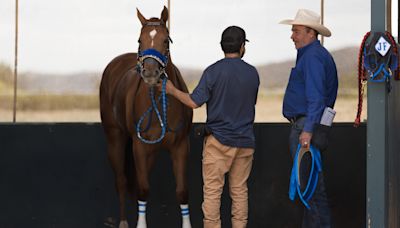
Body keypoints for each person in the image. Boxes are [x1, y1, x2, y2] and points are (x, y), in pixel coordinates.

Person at [158, 26, 259, 228]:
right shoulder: (252, 73)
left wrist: (171, 90)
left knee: (213, 192)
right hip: (245, 141)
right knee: (239, 191)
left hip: (218, 141)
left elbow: (194, 102)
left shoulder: (212, 72)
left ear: (222, 46)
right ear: (242, 47)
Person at [280, 9, 338, 228]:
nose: (292, 35)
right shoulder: (313, 54)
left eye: (296, 31)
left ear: (310, 33)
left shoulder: (312, 56)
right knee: (310, 188)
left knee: (311, 189)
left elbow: (316, 98)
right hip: (309, 125)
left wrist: (307, 131)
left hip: (306, 127)